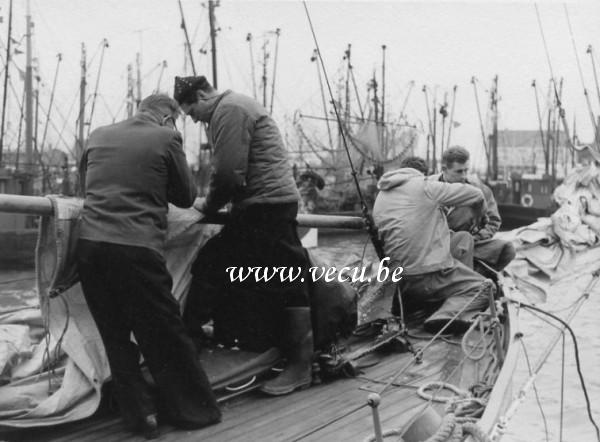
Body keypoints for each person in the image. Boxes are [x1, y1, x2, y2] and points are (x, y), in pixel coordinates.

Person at [77, 94, 221, 438]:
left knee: (114, 335)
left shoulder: (98, 134)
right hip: (136, 248)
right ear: (169, 118)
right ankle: (193, 412)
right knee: (164, 331)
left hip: (90, 248)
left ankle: (140, 417)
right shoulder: (167, 137)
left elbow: (85, 187)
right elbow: (185, 197)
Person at [173, 75, 313, 396]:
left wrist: (206, 206)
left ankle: (300, 366)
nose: (194, 118)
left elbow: (228, 173)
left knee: (283, 277)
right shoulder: (234, 107)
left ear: (201, 95)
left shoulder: (230, 110)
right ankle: (206, 337)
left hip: (266, 206)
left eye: (191, 110)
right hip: (265, 205)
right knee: (221, 263)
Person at [373, 156, 494, 333]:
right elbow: (476, 194)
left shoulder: (382, 195)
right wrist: (479, 214)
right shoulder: (425, 185)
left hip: (398, 282)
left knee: (459, 240)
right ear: (424, 174)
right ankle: (444, 315)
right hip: (426, 277)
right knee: (485, 287)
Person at [432, 146, 516, 272]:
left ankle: (476, 273)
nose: (464, 176)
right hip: (434, 245)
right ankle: (465, 277)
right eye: (459, 171)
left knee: (507, 250)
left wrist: (474, 239)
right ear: (444, 169)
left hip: (469, 243)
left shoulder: (480, 190)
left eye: (467, 170)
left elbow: (493, 221)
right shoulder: (428, 188)